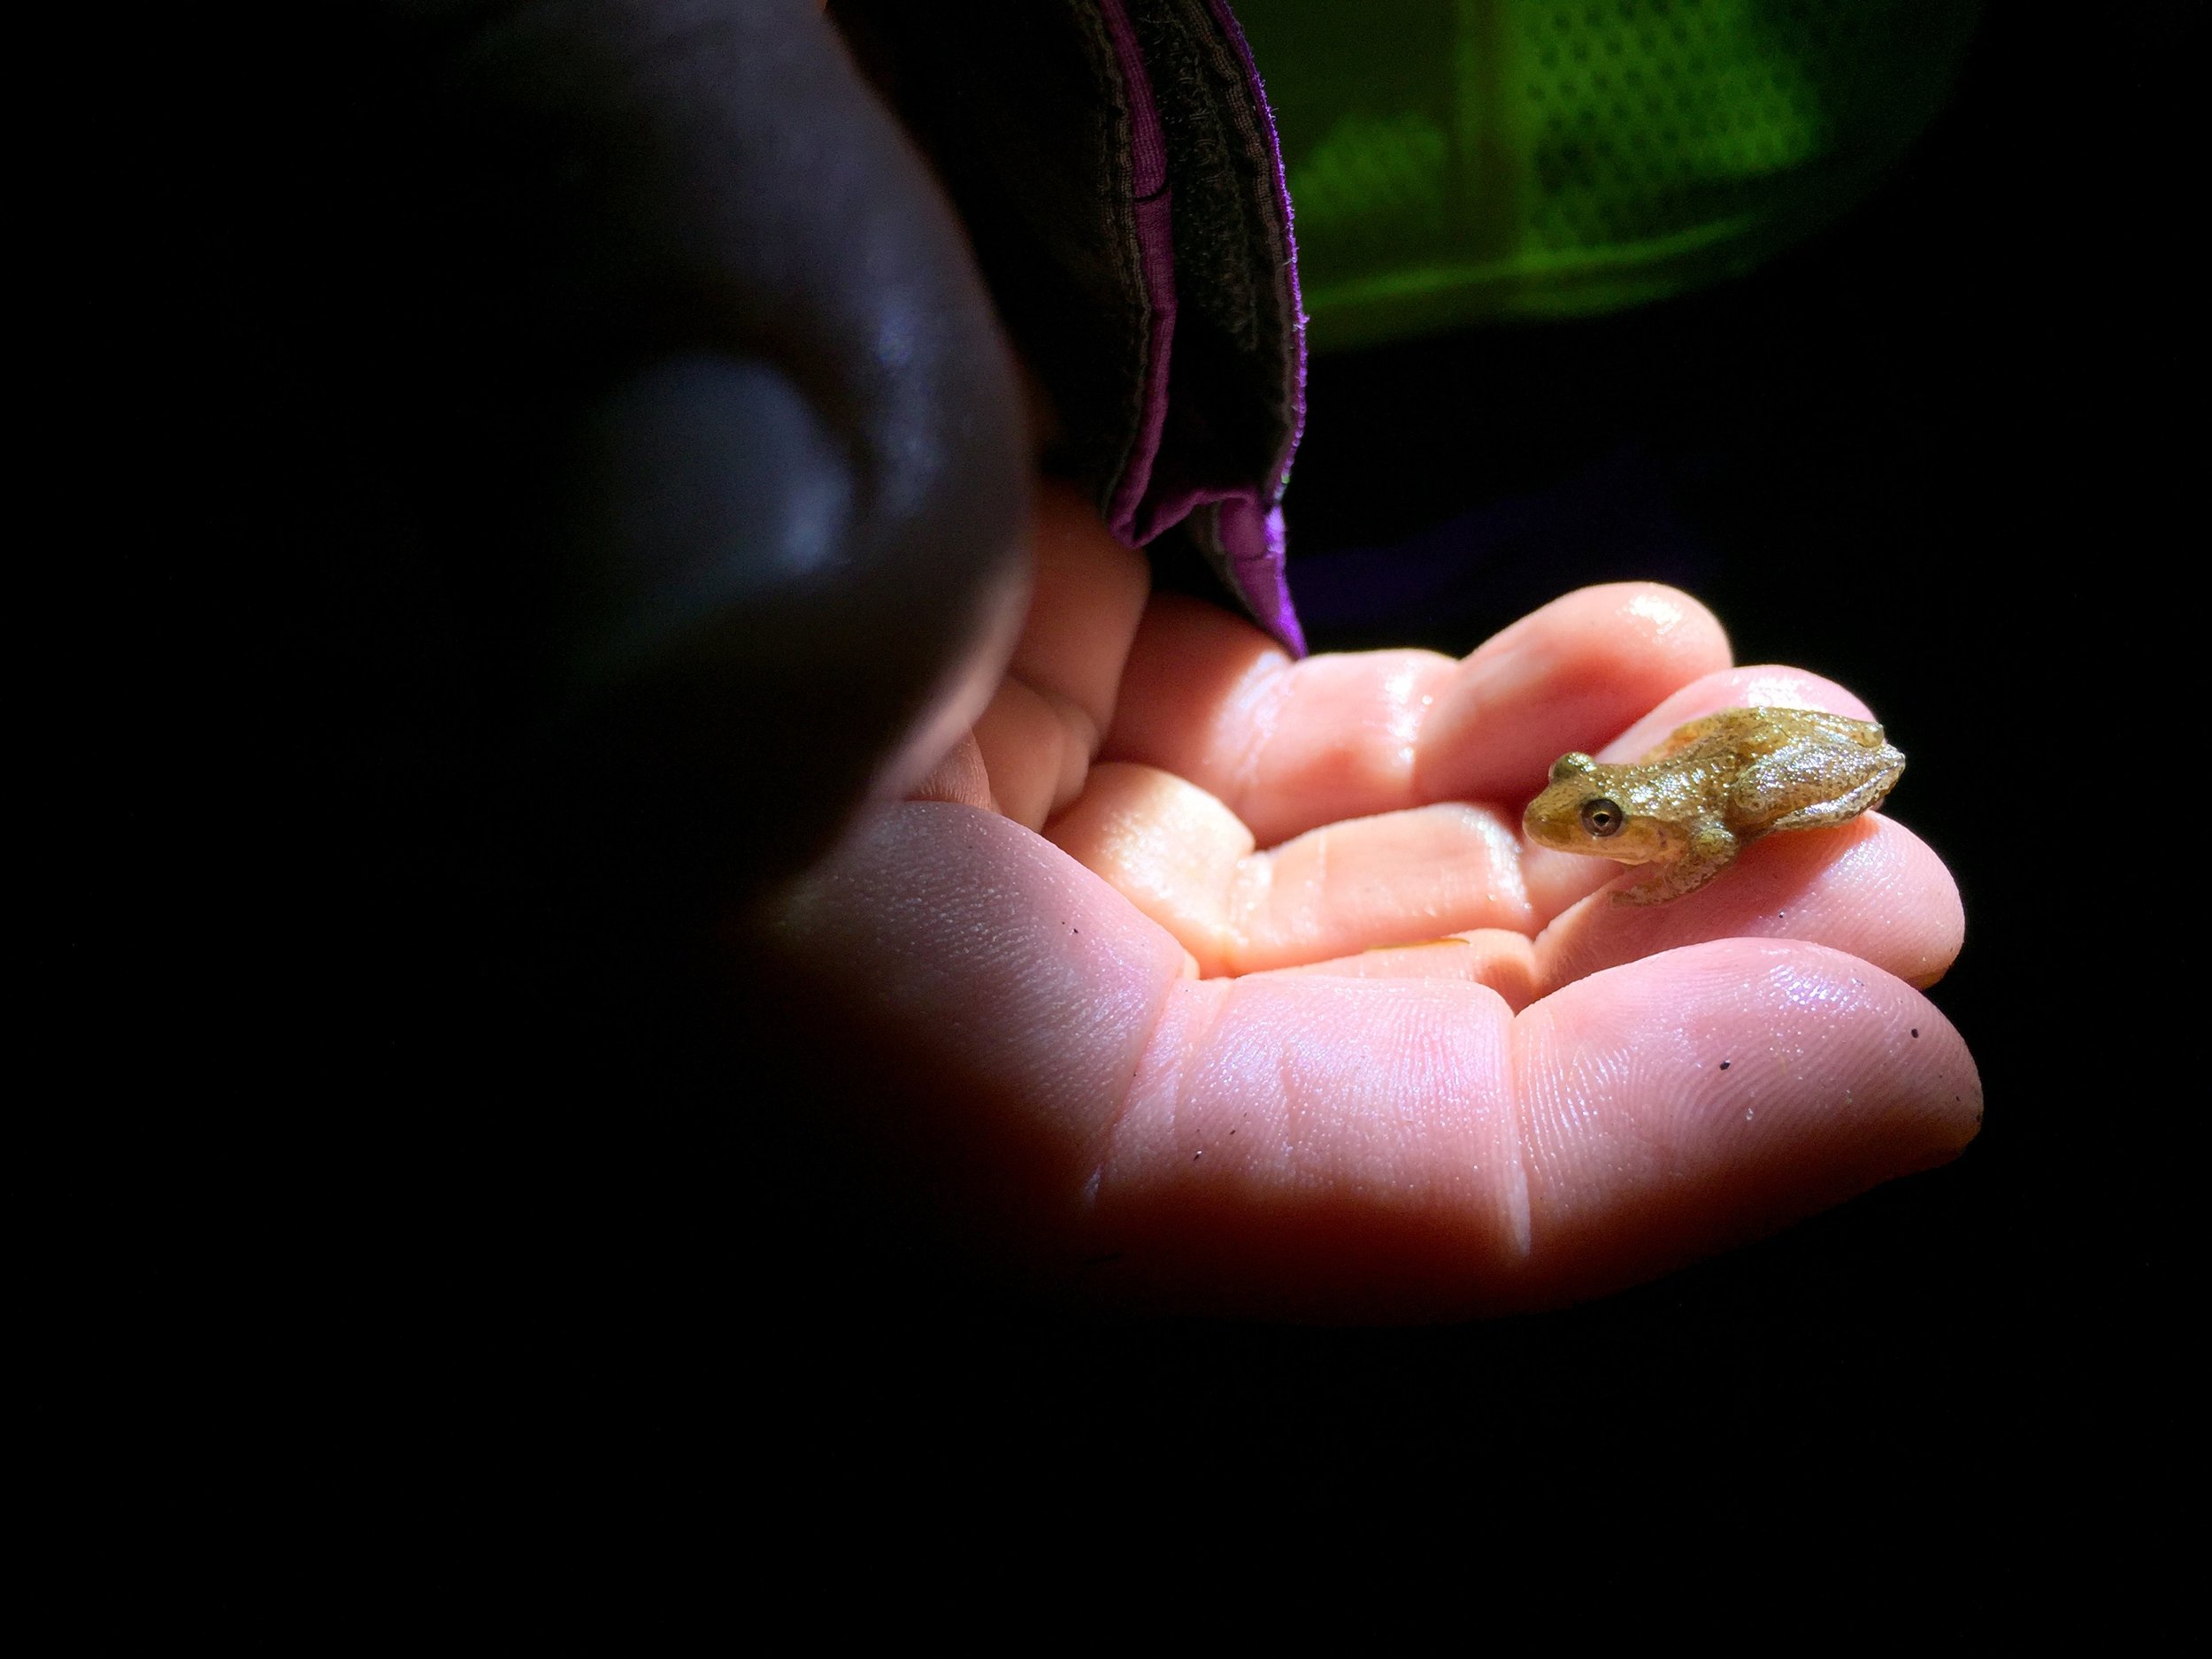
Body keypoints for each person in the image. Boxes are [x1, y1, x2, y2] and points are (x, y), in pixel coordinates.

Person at [158, 0, 1976, 1329]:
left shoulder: (1648, 800)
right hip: (1123, 404)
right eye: (1581, 809)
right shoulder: (1605, 803)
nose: (1579, 817)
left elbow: (1683, 805)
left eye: (1584, 808)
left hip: (1702, 246)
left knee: (1649, 638)